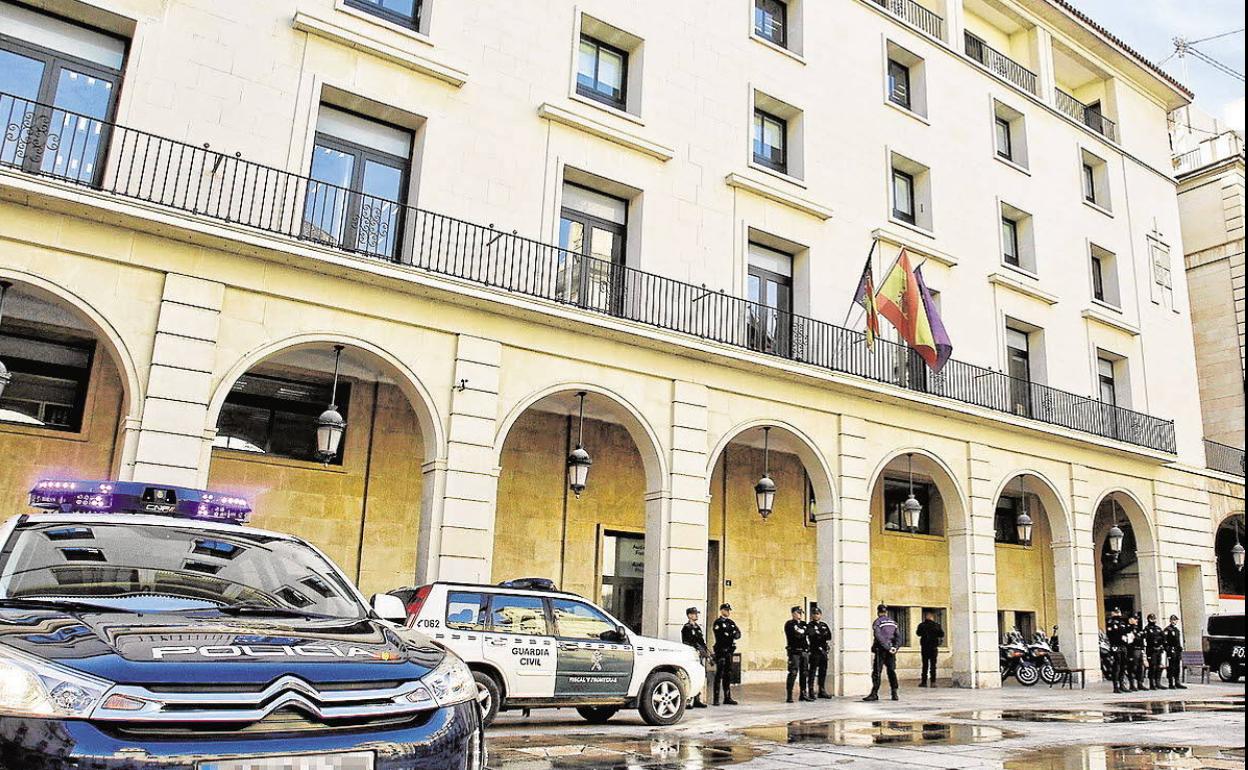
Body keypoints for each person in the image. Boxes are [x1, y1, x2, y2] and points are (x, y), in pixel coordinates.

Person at [863, 604, 902, 702]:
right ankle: (894, 693)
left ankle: (874, 693)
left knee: (877, 672)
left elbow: (878, 637)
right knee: (891, 671)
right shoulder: (893, 622)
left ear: (878, 612)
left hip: (881, 650)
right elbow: (898, 637)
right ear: (886, 612)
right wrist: (894, 648)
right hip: (891, 650)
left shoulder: (878, 622)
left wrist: (887, 647)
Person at [711, 603, 741, 706]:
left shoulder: (731, 622)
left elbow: (738, 634)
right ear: (721, 610)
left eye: (729, 610)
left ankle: (727, 697)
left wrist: (731, 634)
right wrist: (731, 634)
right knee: (719, 674)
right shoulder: (718, 622)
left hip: (729, 651)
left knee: (727, 674)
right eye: (726, 610)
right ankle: (716, 698)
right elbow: (722, 636)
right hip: (721, 651)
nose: (728, 612)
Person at [681, 607, 711, 707]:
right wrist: (695, 650)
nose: (696, 615)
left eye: (696, 613)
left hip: (699, 655)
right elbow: (686, 642)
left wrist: (706, 651)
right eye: (694, 614)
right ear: (689, 615)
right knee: (690, 676)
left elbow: (701, 641)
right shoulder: (686, 628)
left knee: (699, 676)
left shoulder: (697, 627)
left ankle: (697, 699)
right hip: (691, 655)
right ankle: (689, 700)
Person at [784, 606, 812, 703]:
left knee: (804, 673)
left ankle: (803, 694)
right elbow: (796, 635)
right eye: (798, 612)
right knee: (793, 672)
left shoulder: (804, 624)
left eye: (801, 613)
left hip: (804, 651)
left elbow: (810, 632)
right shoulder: (789, 624)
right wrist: (803, 633)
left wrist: (802, 632)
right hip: (794, 651)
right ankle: (789, 695)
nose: (800, 614)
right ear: (793, 613)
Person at [807, 607, 833, 700]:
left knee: (823, 671)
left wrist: (820, 634)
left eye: (817, 614)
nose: (816, 615)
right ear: (811, 616)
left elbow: (829, 636)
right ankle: (810, 690)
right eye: (814, 614)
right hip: (814, 651)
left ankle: (822, 690)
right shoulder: (809, 625)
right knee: (812, 671)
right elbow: (813, 636)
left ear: (820, 615)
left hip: (823, 651)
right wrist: (822, 635)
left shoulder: (823, 625)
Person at [915, 611, 945, 687]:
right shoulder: (937, 625)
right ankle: (933, 682)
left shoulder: (922, 625)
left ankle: (924, 682)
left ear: (926, 617)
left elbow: (918, 633)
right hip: (933, 648)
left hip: (925, 647)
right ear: (932, 617)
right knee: (933, 665)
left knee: (925, 665)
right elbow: (942, 634)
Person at [1105, 607, 1128, 693]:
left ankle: (1122, 684)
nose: (1118, 614)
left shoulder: (1122, 622)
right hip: (1115, 645)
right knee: (1116, 666)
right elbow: (1112, 634)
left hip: (1123, 646)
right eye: (1116, 612)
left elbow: (1125, 632)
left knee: (1123, 665)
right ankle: (1116, 686)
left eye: (1118, 612)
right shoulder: (1111, 622)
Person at [1162, 614, 1186, 689]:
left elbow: (1178, 641)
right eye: (1172, 620)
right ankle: (1171, 683)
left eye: (1175, 620)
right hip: (1171, 650)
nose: (1174, 621)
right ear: (1170, 621)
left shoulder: (1177, 630)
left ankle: (1177, 681)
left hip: (1177, 650)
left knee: (1177, 667)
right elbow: (1165, 641)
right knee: (1171, 667)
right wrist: (1168, 649)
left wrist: (1180, 649)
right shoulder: (1167, 630)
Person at [1142, 613, 1165, 690]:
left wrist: (1163, 646)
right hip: (1151, 650)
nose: (1153, 620)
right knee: (1152, 667)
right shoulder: (1147, 629)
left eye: (1154, 619)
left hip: (1158, 650)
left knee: (1159, 666)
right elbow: (1144, 639)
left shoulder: (1158, 628)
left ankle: (1158, 682)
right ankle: (1152, 683)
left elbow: (1163, 638)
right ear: (1148, 619)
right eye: (1152, 619)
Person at [1124, 614, 1146, 692]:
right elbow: (1129, 641)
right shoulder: (1127, 629)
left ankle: (1140, 683)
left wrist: (1143, 649)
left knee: (1140, 667)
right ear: (1130, 619)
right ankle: (1132, 684)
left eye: (1137, 619)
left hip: (1139, 649)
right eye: (1135, 619)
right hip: (1132, 650)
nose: (1136, 620)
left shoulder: (1138, 628)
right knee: (1132, 667)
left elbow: (1142, 638)